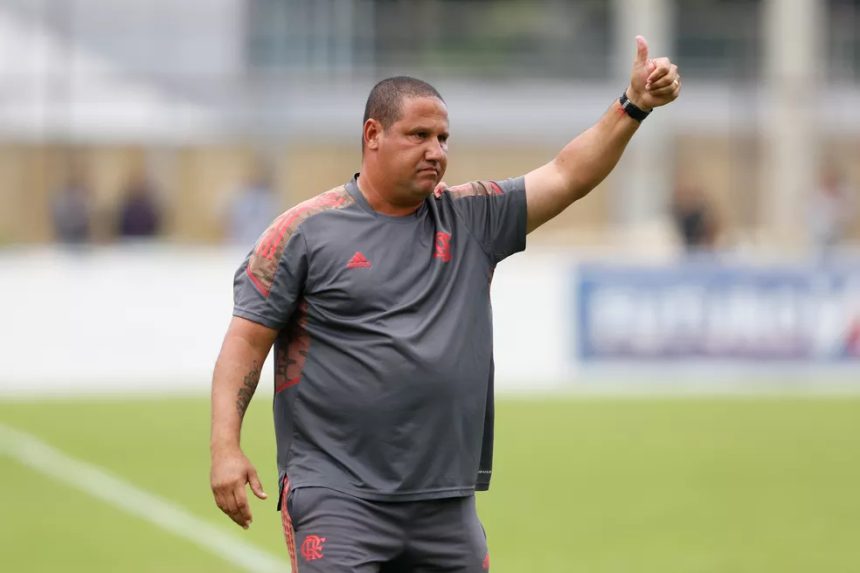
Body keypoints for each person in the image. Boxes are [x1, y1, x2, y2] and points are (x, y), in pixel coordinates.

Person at [210, 36, 680, 572]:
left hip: (445, 504)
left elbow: (567, 174)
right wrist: (226, 447)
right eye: (419, 135)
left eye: (443, 137)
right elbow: (245, 343)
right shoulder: (303, 232)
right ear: (373, 136)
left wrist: (634, 105)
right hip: (338, 496)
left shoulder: (472, 217)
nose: (437, 150)